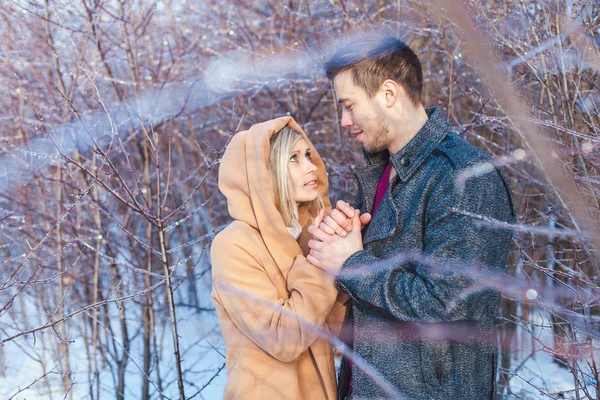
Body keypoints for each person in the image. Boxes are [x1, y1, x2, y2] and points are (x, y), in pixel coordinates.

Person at [307, 35, 516, 399]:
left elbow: (446, 305)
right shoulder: (384, 174)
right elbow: (370, 292)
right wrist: (337, 246)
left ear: (388, 94)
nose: (343, 120)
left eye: (349, 105)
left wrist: (353, 263)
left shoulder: (464, 176)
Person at [210, 117, 348, 400]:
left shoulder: (305, 234)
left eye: (308, 155)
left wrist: (346, 251)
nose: (311, 166)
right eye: (294, 159)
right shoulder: (234, 245)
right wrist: (319, 265)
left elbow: (337, 329)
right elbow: (282, 338)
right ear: (264, 174)